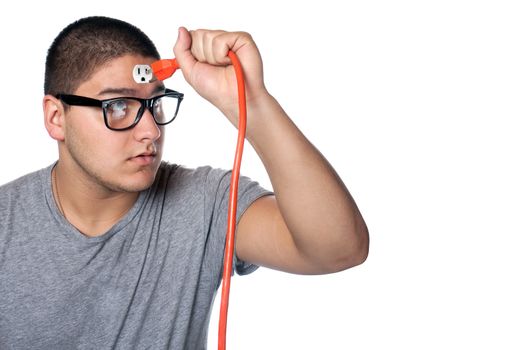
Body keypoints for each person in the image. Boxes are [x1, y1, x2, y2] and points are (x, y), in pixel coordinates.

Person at [0, 16, 368, 349]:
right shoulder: (6, 222)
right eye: (118, 107)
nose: (150, 130)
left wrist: (249, 104)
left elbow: (338, 247)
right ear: (55, 117)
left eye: (154, 105)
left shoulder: (205, 203)